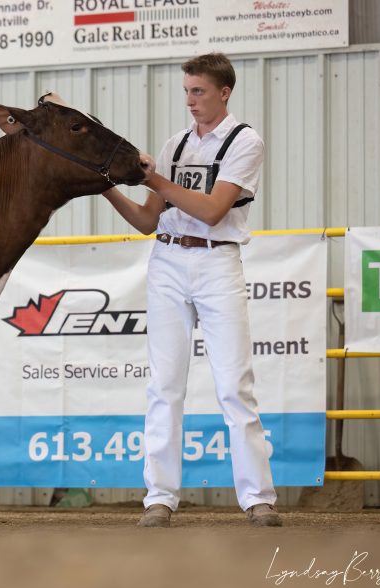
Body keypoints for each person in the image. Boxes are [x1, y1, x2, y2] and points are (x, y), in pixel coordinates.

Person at [104, 53, 281, 527]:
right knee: (163, 385)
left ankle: (257, 498)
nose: (190, 100)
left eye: (198, 91)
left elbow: (212, 211)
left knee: (234, 384)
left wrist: (152, 177)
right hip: (167, 260)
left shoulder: (246, 142)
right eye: (186, 91)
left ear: (224, 92)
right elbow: (147, 220)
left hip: (216, 260)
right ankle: (159, 498)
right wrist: (105, 186)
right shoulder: (175, 144)